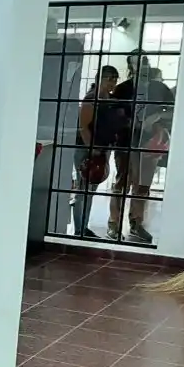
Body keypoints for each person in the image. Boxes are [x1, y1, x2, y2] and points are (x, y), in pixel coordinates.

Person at [108, 51, 174, 243]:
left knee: (143, 185)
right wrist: (131, 123)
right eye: (137, 63)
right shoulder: (122, 89)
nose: (142, 66)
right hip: (125, 142)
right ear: (131, 66)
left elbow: (173, 109)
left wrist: (157, 117)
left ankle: (137, 223)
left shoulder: (159, 88)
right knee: (122, 183)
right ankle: (114, 223)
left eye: (145, 61)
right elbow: (114, 116)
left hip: (150, 142)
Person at [72, 64, 119, 237]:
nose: (112, 82)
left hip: (102, 149)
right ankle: (79, 229)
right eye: (109, 78)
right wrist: (92, 149)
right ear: (100, 79)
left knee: (90, 191)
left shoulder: (111, 100)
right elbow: (84, 127)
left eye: (115, 78)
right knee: (83, 190)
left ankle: (83, 227)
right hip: (87, 149)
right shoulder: (91, 99)